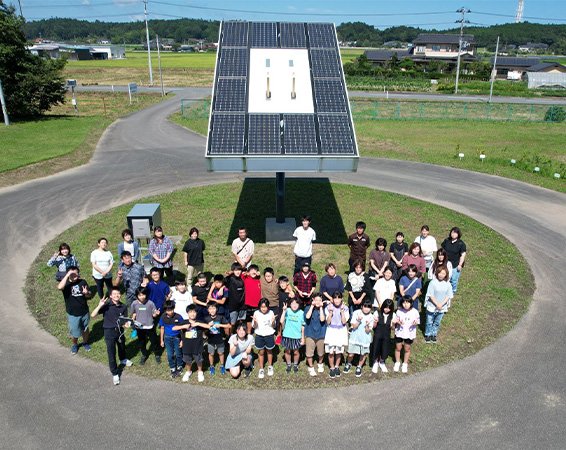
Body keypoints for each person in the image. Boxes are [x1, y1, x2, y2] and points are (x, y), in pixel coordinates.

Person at [90, 287, 132, 386]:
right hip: (109, 332)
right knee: (111, 352)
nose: (117, 295)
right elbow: (93, 315)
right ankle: (115, 373)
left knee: (122, 347)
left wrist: (126, 324)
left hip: (119, 331)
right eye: (114, 294)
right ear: (111, 296)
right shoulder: (106, 305)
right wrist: (99, 305)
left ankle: (123, 359)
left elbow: (124, 320)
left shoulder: (123, 306)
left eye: (118, 293)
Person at [57, 266, 93, 354]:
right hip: (73, 313)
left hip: (84, 311)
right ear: (68, 274)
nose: (74, 275)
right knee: (75, 332)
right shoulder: (66, 284)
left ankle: (85, 343)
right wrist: (68, 275)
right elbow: (59, 287)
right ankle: (75, 345)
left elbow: (89, 295)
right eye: (72, 273)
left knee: (85, 329)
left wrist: (87, 293)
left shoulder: (82, 282)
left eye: (76, 273)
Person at [173, 304, 209, 383]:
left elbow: (208, 326)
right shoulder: (184, 322)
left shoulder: (199, 322)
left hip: (197, 346)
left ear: (197, 313)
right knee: (187, 360)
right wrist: (183, 327)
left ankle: (200, 372)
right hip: (187, 346)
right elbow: (174, 328)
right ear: (187, 313)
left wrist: (198, 324)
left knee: (199, 360)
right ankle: (189, 371)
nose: (192, 314)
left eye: (194, 312)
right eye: (190, 312)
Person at [344, 300, 375, 377]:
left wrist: (367, 325)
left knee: (363, 354)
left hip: (365, 338)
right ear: (362, 306)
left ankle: (359, 366)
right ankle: (348, 363)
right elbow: (354, 327)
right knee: (351, 353)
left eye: (368, 307)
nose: (366, 309)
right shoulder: (356, 313)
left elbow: (368, 331)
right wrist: (358, 320)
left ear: (371, 308)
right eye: (365, 306)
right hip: (355, 337)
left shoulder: (371, 316)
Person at [130, 287, 160, 365]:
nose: (142, 297)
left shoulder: (150, 303)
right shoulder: (134, 303)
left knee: (154, 341)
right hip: (139, 327)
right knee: (141, 342)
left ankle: (157, 354)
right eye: (139, 295)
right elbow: (133, 313)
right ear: (137, 296)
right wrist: (133, 318)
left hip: (149, 326)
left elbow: (154, 314)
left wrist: (155, 314)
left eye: (143, 295)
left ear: (146, 295)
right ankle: (144, 354)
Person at [424, 266, 454, 343]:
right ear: (437, 273)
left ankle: (434, 334)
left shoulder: (448, 284)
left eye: (443, 273)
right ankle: (428, 334)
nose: (441, 275)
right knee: (429, 321)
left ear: (446, 274)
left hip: (442, 307)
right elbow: (430, 295)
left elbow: (448, 296)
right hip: (432, 306)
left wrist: (441, 304)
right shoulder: (432, 282)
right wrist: (437, 304)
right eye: (440, 273)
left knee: (437, 322)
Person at [392, 295, 420, 374]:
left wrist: (415, 322)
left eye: (407, 302)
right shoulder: (399, 311)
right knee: (398, 348)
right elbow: (395, 321)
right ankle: (397, 362)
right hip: (399, 332)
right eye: (404, 303)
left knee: (407, 349)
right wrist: (397, 322)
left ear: (411, 303)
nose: (405, 304)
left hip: (409, 333)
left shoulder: (415, 311)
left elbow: (418, 321)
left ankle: (405, 363)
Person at [324, 291, 349, 379]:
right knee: (331, 351)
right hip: (331, 330)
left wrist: (342, 312)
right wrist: (330, 313)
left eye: (339, 298)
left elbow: (344, 321)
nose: (337, 300)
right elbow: (328, 321)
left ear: (342, 298)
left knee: (339, 351)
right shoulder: (328, 307)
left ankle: (337, 366)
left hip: (341, 331)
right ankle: (332, 368)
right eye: (335, 298)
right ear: (333, 299)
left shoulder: (345, 308)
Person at [159, 300, 184, 378]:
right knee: (170, 355)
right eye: (168, 310)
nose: (170, 312)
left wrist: (182, 340)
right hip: (167, 338)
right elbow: (162, 328)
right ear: (165, 310)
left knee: (178, 353)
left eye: (171, 310)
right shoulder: (163, 317)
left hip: (177, 338)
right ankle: (172, 367)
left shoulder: (179, 317)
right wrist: (161, 340)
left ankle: (179, 366)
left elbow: (182, 330)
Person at [204, 302, 230, 376]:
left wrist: (220, 325)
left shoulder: (220, 317)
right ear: (208, 310)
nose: (212, 310)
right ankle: (211, 366)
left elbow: (229, 325)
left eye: (214, 308)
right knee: (211, 353)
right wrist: (207, 326)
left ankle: (222, 365)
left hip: (220, 338)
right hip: (210, 339)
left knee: (221, 353)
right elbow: (203, 330)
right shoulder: (206, 318)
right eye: (210, 309)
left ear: (217, 309)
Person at [280, 297, 305, 374]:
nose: (294, 305)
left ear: (299, 305)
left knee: (296, 352)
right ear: (290, 304)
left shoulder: (301, 313)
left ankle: (295, 364)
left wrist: (303, 338)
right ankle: (288, 364)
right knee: (287, 351)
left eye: (296, 303)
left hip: (297, 336)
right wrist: (284, 311)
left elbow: (303, 326)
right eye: (293, 303)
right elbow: (281, 321)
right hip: (287, 335)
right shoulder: (287, 310)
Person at [252, 298, 276, 379]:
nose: (264, 309)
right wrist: (254, 321)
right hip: (259, 335)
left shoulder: (271, 313)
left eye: (265, 307)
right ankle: (261, 368)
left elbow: (273, 326)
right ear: (259, 307)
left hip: (269, 335)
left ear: (268, 307)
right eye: (262, 307)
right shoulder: (256, 313)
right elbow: (254, 326)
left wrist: (273, 321)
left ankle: (270, 366)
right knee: (261, 352)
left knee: (269, 351)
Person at [304, 293, 327, 376]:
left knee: (321, 352)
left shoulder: (324, 309)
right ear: (313, 300)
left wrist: (321, 307)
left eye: (320, 300)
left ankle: (320, 363)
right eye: (316, 300)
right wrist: (312, 306)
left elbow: (322, 319)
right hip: (310, 333)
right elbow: (307, 317)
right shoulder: (307, 308)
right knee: (309, 352)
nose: (317, 302)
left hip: (321, 333)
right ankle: (310, 366)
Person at [371, 298, 395, 374]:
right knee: (376, 347)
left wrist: (393, 323)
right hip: (377, 334)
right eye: (385, 307)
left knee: (384, 348)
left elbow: (392, 328)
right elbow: (373, 327)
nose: (387, 309)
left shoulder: (393, 315)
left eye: (389, 308)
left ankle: (382, 362)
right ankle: (375, 362)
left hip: (386, 335)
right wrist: (375, 322)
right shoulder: (377, 313)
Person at [441, 226, 467, 293]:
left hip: (455, 265)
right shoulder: (447, 240)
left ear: (458, 234)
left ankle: (453, 291)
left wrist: (460, 265)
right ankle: (444, 290)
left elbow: (463, 255)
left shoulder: (461, 244)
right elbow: (442, 250)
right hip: (445, 263)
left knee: (453, 279)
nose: (453, 234)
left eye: (455, 233)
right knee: (445, 277)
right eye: (452, 232)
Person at [225, 263, 246, 332]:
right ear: (233, 271)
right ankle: (230, 336)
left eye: (239, 270)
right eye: (236, 270)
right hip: (233, 306)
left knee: (240, 322)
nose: (238, 272)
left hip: (242, 305)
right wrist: (229, 274)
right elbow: (222, 281)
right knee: (232, 323)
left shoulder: (242, 278)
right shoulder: (230, 279)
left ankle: (239, 334)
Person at [242, 264, 262, 333]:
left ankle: (258, 331)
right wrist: (246, 274)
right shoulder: (246, 278)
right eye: (251, 270)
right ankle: (249, 332)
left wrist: (260, 275)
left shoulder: (259, 280)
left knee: (258, 319)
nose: (253, 272)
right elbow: (241, 274)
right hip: (248, 304)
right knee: (249, 319)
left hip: (257, 304)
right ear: (248, 272)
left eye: (255, 270)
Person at [276, 275, 295, 344]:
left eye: (283, 283)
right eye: (280, 283)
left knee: (287, 323)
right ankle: (279, 335)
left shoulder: (290, 294)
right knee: (279, 323)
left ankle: (288, 336)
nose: (282, 285)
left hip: (288, 311)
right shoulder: (280, 291)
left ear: (287, 283)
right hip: (280, 310)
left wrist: (291, 291)